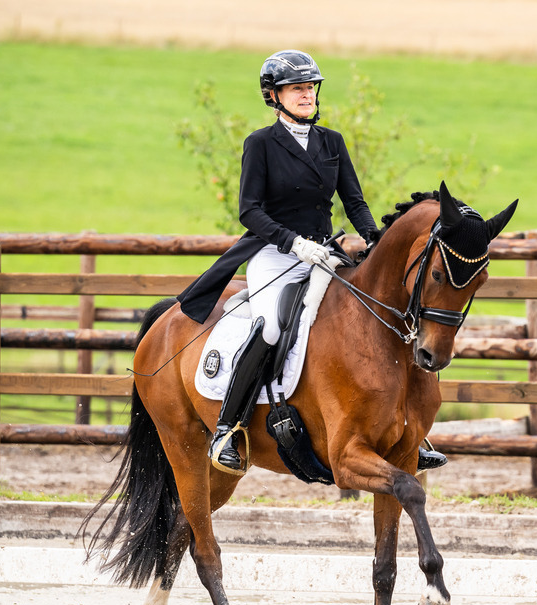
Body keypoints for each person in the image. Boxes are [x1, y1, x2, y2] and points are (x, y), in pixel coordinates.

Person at [177, 49, 445, 476]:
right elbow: (250, 211)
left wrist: (376, 242)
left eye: (310, 88)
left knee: (378, 313)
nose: (306, 95)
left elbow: (353, 201)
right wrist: (293, 242)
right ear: (274, 96)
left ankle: (410, 427)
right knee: (269, 325)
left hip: (326, 252)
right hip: (274, 255)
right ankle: (229, 427)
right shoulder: (260, 144)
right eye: (296, 89)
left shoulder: (331, 141)